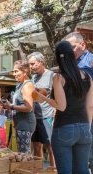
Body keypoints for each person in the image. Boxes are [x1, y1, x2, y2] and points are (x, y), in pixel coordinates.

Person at [35, 40, 93, 174]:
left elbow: (61, 106)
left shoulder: (58, 77)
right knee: (82, 170)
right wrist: (86, 127)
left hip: (64, 128)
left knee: (65, 171)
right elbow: (90, 106)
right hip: (84, 128)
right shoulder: (88, 77)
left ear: (57, 57)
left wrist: (42, 98)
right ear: (72, 55)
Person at [64, 32, 93, 170]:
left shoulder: (90, 62)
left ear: (83, 45)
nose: (70, 52)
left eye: (73, 47)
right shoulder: (72, 63)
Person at [2, 60, 36, 153]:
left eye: (16, 71)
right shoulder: (20, 85)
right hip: (20, 124)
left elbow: (29, 107)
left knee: (25, 155)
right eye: (14, 71)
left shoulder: (27, 85)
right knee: (22, 153)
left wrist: (12, 106)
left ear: (25, 71)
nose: (14, 74)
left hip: (25, 124)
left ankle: (27, 168)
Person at [28, 52, 55, 167]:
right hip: (35, 117)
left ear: (41, 62)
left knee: (51, 147)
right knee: (36, 146)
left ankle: (54, 170)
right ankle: (37, 170)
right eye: (30, 64)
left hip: (47, 116)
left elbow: (57, 97)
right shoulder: (34, 77)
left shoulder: (52, 75)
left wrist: (55, 114)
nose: (31, 67)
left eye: (33, 64)